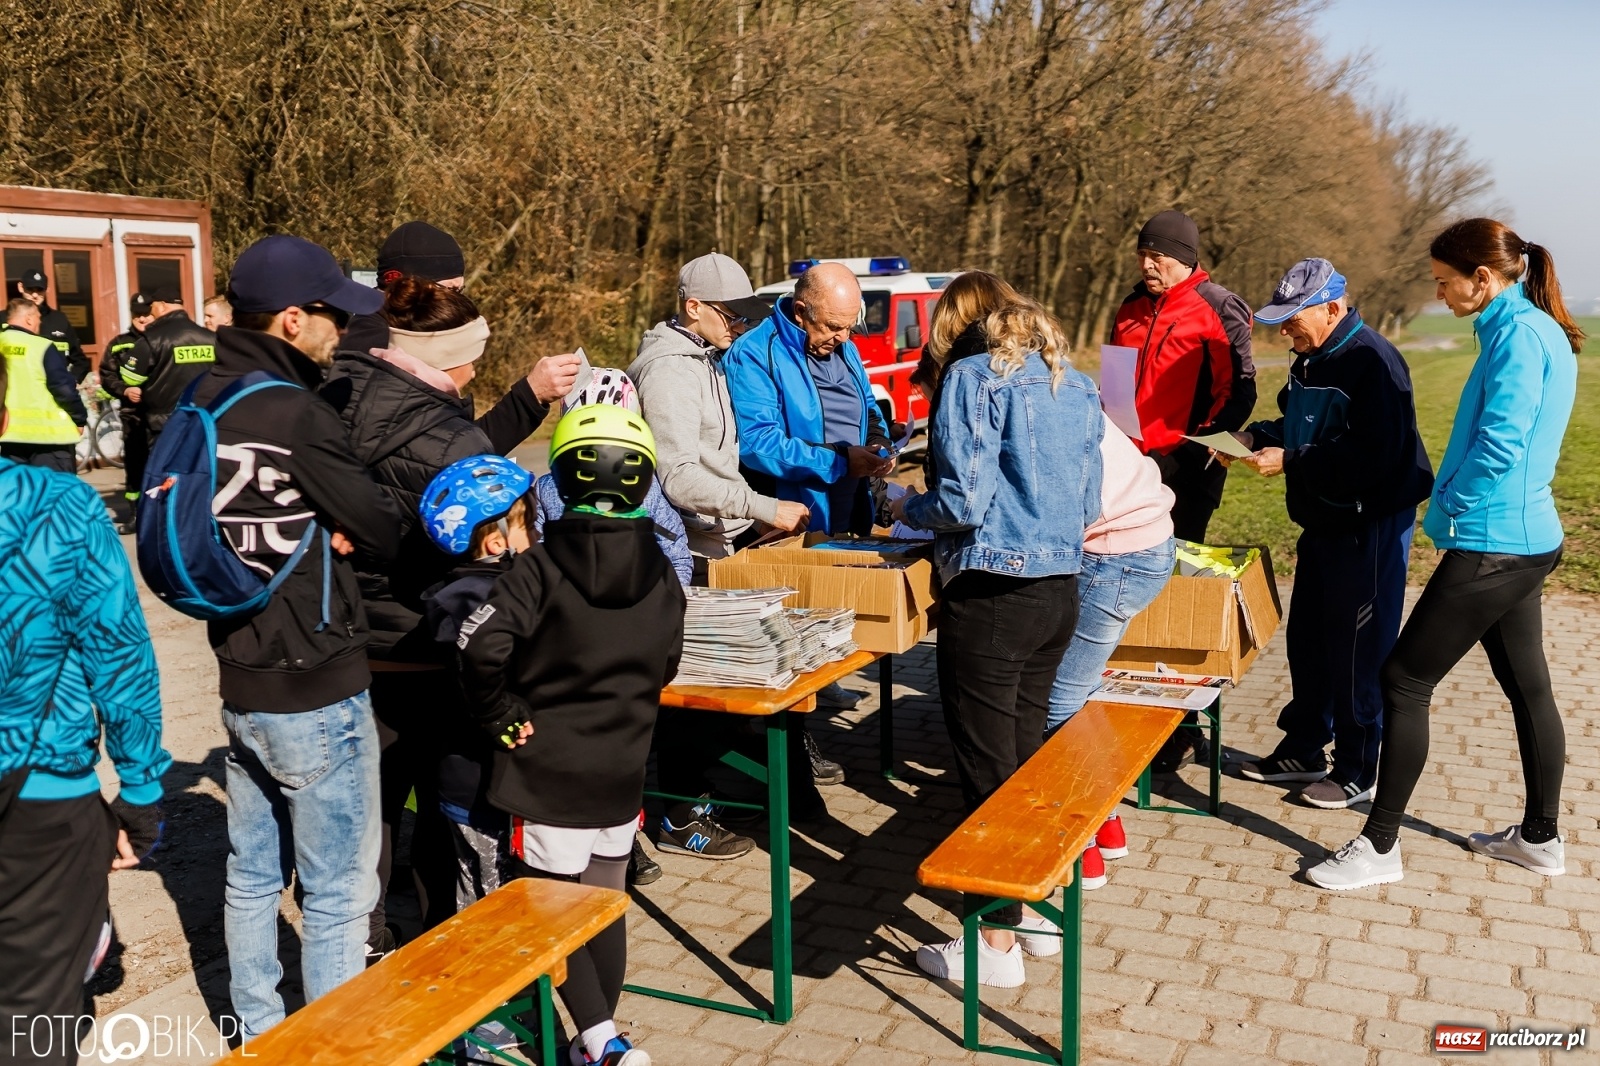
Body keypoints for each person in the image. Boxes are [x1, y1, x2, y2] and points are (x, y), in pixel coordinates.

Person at [1309, 220, 1583, 891]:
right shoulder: (1529, 328)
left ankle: (1379, 847)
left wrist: (1451, 502)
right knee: (1529, 688)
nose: (1438, 293)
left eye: (1443, 281)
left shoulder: (1519, 336)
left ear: (1482, 279)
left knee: (1404, 680)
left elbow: (1502, 442)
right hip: (1526, 539)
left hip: (1494, 541)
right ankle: (1540, 839)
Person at [318, 275, 580, 953]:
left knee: (370, 806)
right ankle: (442, 941)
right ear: (445, 359)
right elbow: (491, 560)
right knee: (442, 803)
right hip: (426, 644)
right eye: (471, 359)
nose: (475, 373)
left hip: (349, 640)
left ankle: (361, 943)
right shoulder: (452, 440)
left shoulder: (335, 396)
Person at [195, 234, 404, 1038]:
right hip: (317, 685)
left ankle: (256, 1033)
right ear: (291, 319)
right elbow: (380, 526)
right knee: (339, 892)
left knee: (251, 875)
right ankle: (332, 1047)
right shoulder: (296, 413)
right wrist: (335, 523)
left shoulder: (204, 396)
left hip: (239, 677)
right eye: (332, 316)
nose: (341, 332)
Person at [890, 271, 1102, 988]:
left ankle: (994, 943)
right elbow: (1090, 500)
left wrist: (905, 507)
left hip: (993, 594)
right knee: (1022, 763)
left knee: (988, 772)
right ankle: (1031, 914)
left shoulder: (972, 378)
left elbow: (961, 501)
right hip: (1059, 589)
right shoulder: (1074, 382)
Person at [458, 404, 685, 1066]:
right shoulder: (663, 571)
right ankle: (600, 1041)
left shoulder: (536, 568)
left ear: (560, 476)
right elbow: (668, 663)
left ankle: (602, 1042)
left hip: (547, 772)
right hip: (622, 767)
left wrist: (499, 712)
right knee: (604, 905)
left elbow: (476, 647)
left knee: (554, 912)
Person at [0, 358, 170, 1066]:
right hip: (37, 792)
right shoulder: (57, 504)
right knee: (32, 1017)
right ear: (4, 415)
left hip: (40, 793)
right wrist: (141, 787)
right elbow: (117, 649)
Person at [1232, 259, 1433, 811]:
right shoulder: (1308, 357)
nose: (1285, 331)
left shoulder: (1374, 361)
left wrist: (1292, 460)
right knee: (1311, 640)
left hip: (1368, 526)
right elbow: (1300, 426)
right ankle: (1303, 748)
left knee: (1357, 650)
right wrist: (1255, 438)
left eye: (1293, 319)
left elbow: (1374, 456)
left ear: (1332, 308)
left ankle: (1357, 767)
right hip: (1321, 520)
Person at [1110, 210, 1255, 772]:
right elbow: (1116, 383)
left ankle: (1186, 727)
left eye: (1159, 256)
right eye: (1142, 254)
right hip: (1128, 470)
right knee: (1124, 588)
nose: (1148, 264)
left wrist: (1190, 452)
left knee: (1176, 596)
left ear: (1186, 258)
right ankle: (1128, 706)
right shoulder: (1129, 307)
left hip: (1187, 472)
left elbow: (1239, 393)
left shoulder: (1219, 306)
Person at [722, 259, 892, 724]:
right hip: (793, 509)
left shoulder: (843, 346)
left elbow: (867, 404)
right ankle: (792, 736)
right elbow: (759, 443)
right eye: (834, 327)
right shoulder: (756, 352)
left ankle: (823, 683)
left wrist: (879, 441)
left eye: (849, 326)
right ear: (801, 312)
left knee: (828, 611)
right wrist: (839, 460)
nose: (843, 337)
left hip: (845, 503)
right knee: (789, 621)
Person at [1041, 416, 1176, 891]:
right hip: (1144, 542)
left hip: (1115, 554)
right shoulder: (1068, 392)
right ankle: (1107, 823)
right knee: (1080, 692)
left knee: (1059, 701)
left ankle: (1081, 842)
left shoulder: (1025, 402)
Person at [629, 252, 809, 578]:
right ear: (693, 307)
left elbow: (714, 461)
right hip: (686, 554)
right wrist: (765, 507)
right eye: (732, 316)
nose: (740, 328)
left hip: (716, 540)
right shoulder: (670, 372)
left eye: (745, 318)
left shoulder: (707, 357)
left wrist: (753, 521)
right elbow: (679, 477)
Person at [0, 297, 87, 473]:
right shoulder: (41, 346)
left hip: (9, 437)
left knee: (20, 488)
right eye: (38, 317)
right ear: (29, 319)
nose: (40, 322)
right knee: (54, 489)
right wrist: (79, 418)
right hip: (49, 440)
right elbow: (63, 388)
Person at [122, 285, 217, 446]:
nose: (151, 313)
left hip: (164, 425)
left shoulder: (151, 339)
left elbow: (129, 377)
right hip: (203, 420)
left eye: (152, 307)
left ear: (162, 305)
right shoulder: (210, 337)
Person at [100, 293, 156, 533]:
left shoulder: (163, 340)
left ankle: (163, 514)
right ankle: (136, 515)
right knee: (135, 466)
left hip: (161, 415)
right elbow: (107, 375)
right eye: (137, 314)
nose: (142, 318)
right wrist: (124, 390)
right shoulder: (119, 343)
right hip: (132, 415)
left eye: (146, 314)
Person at [14, 269, 89, 383]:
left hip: (54, 390)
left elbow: (80, 360)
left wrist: (70, 382)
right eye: (30, 289)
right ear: (20, 287)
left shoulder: (59, 319)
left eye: (40, 290)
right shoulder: (6, 319)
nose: (35, 295)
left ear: (47, 289)